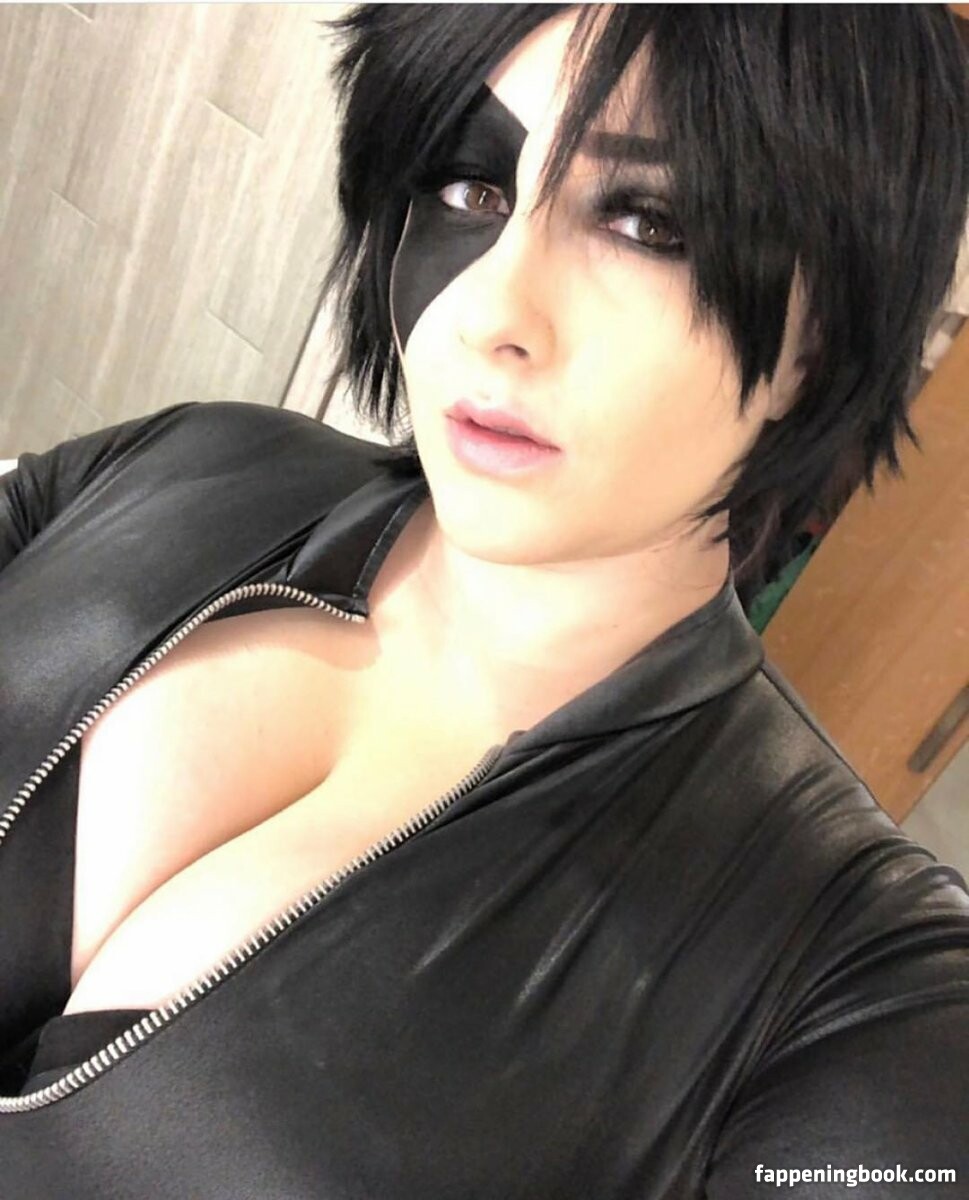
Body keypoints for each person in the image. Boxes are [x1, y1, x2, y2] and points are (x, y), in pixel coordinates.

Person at [0, 4, 967, 1196]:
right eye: (472, 186)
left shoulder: (851, 973)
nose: (494, 315)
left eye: (647, 222)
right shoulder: (178, 463)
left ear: (824, 338)